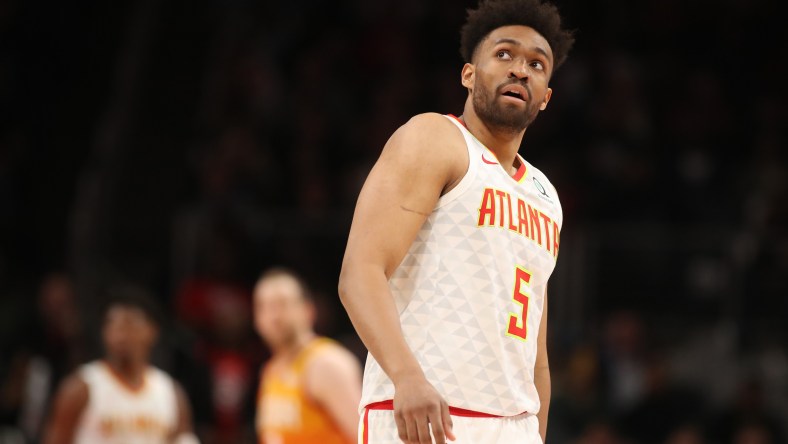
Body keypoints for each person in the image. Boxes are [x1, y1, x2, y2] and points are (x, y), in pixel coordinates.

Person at [337, 0, 574, 443]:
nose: (520, 70)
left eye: (536, 64)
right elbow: (360, 274)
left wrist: (536, 432)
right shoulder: (435, 138)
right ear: (468, 75)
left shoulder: (546, 195)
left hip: (514, 424)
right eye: (504, 55)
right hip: (423, 411)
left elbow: (535, 352)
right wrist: (407, 378)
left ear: (545, 97)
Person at [43, 286, 198, 444]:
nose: (120, 331)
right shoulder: (81, 388)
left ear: (152, 331)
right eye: (112, 322)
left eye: (129, 322)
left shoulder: (171, 393)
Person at [253, 268, 361, 444]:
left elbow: (365, 436)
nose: (273, 316)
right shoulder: (270, 371)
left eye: (282, 304)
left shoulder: (326, 363)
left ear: (308, 310)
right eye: (263, 307)